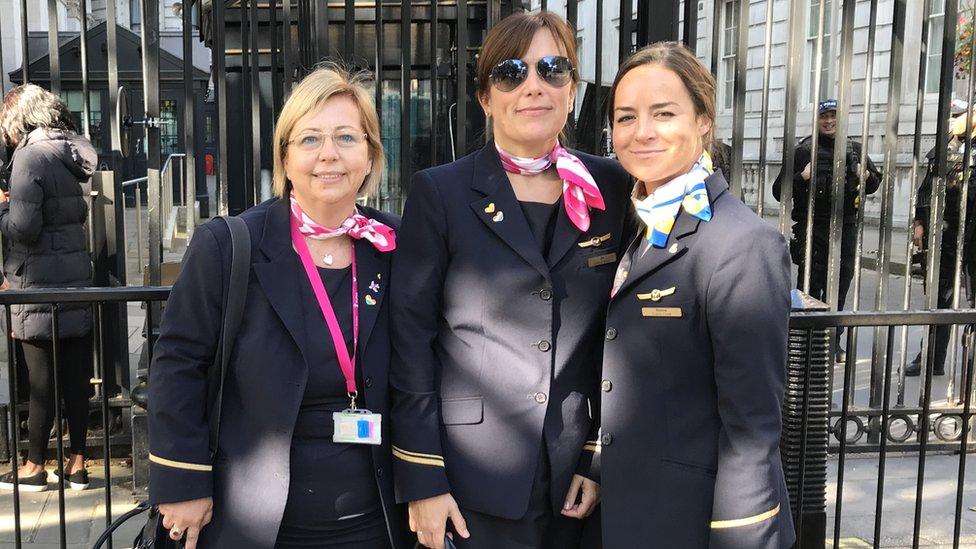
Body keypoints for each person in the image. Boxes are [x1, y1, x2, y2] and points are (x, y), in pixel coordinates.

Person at [389, 11, 634, 549]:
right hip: (471, 476)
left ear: (572, 89)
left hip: (575, 475)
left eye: (552, 69)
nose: (533, 87)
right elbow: (409, 339)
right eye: (511, 72)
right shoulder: (441, 193)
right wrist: (423, 478)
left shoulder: (612, 188)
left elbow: (627, 334)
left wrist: (596, 455)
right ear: (485, 96)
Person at [147, 66, 407, 549]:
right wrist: (182, 482)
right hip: (253, 520)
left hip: (376, 518)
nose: (328, 154)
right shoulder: (228, 246)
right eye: (310, 139)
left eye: (346, 137)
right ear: (285, 157)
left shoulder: (396, 245)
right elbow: (178, 364)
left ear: (371, 155)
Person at [598, 42, 795, 548]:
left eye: (664, 113)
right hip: (632, 512)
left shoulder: (742, 244)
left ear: (704, 119)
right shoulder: (639, 220)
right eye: (625, 117)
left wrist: (742, 538)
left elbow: (752, 428)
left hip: (696, 523)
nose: (641, 132)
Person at [0, 84, 95, 492]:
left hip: (37, 282)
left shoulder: (28, 156)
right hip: (75, 277)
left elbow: (23, 227)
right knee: (75, 376)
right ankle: (77, 465)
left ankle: (34, 465)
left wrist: (3, 207)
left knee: (39, 378)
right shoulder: (68, 152)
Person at [773, 98, 882, 363]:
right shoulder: (802, 152)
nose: (829, 121)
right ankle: (802, 342)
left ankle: (834, 343)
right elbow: (779, 192)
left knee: (840, 286)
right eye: (824, 116)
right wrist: (802, 178)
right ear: (817, 119)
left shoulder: (855, 150)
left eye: (833, 116)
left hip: (845, 227)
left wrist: (866, 176)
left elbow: (874, 183)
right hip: (812, 227)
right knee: (809, 286)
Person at [908, 100, 976, 376]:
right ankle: (931, 358)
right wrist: (919, 222)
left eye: (958, 117)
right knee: (940, 298)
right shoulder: (943, 150)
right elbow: (926, 189)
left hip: (973, 235)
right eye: (950, 118)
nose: (952, 122)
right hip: (946, 234)